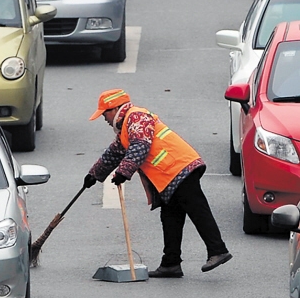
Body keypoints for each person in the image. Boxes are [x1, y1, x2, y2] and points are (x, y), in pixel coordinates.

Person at [85, 88, 232, 277]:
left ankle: (218, 250)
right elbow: (114, 153)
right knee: (170, 217)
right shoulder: (125, 127)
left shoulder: (136, 116)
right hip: (169, 175)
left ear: (114, 109)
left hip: (180, 167)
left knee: (197, 210)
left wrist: (123, 172)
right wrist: (94, 175)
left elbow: (140, 146)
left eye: (104, 114)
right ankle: (171, 263)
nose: (104, 119)